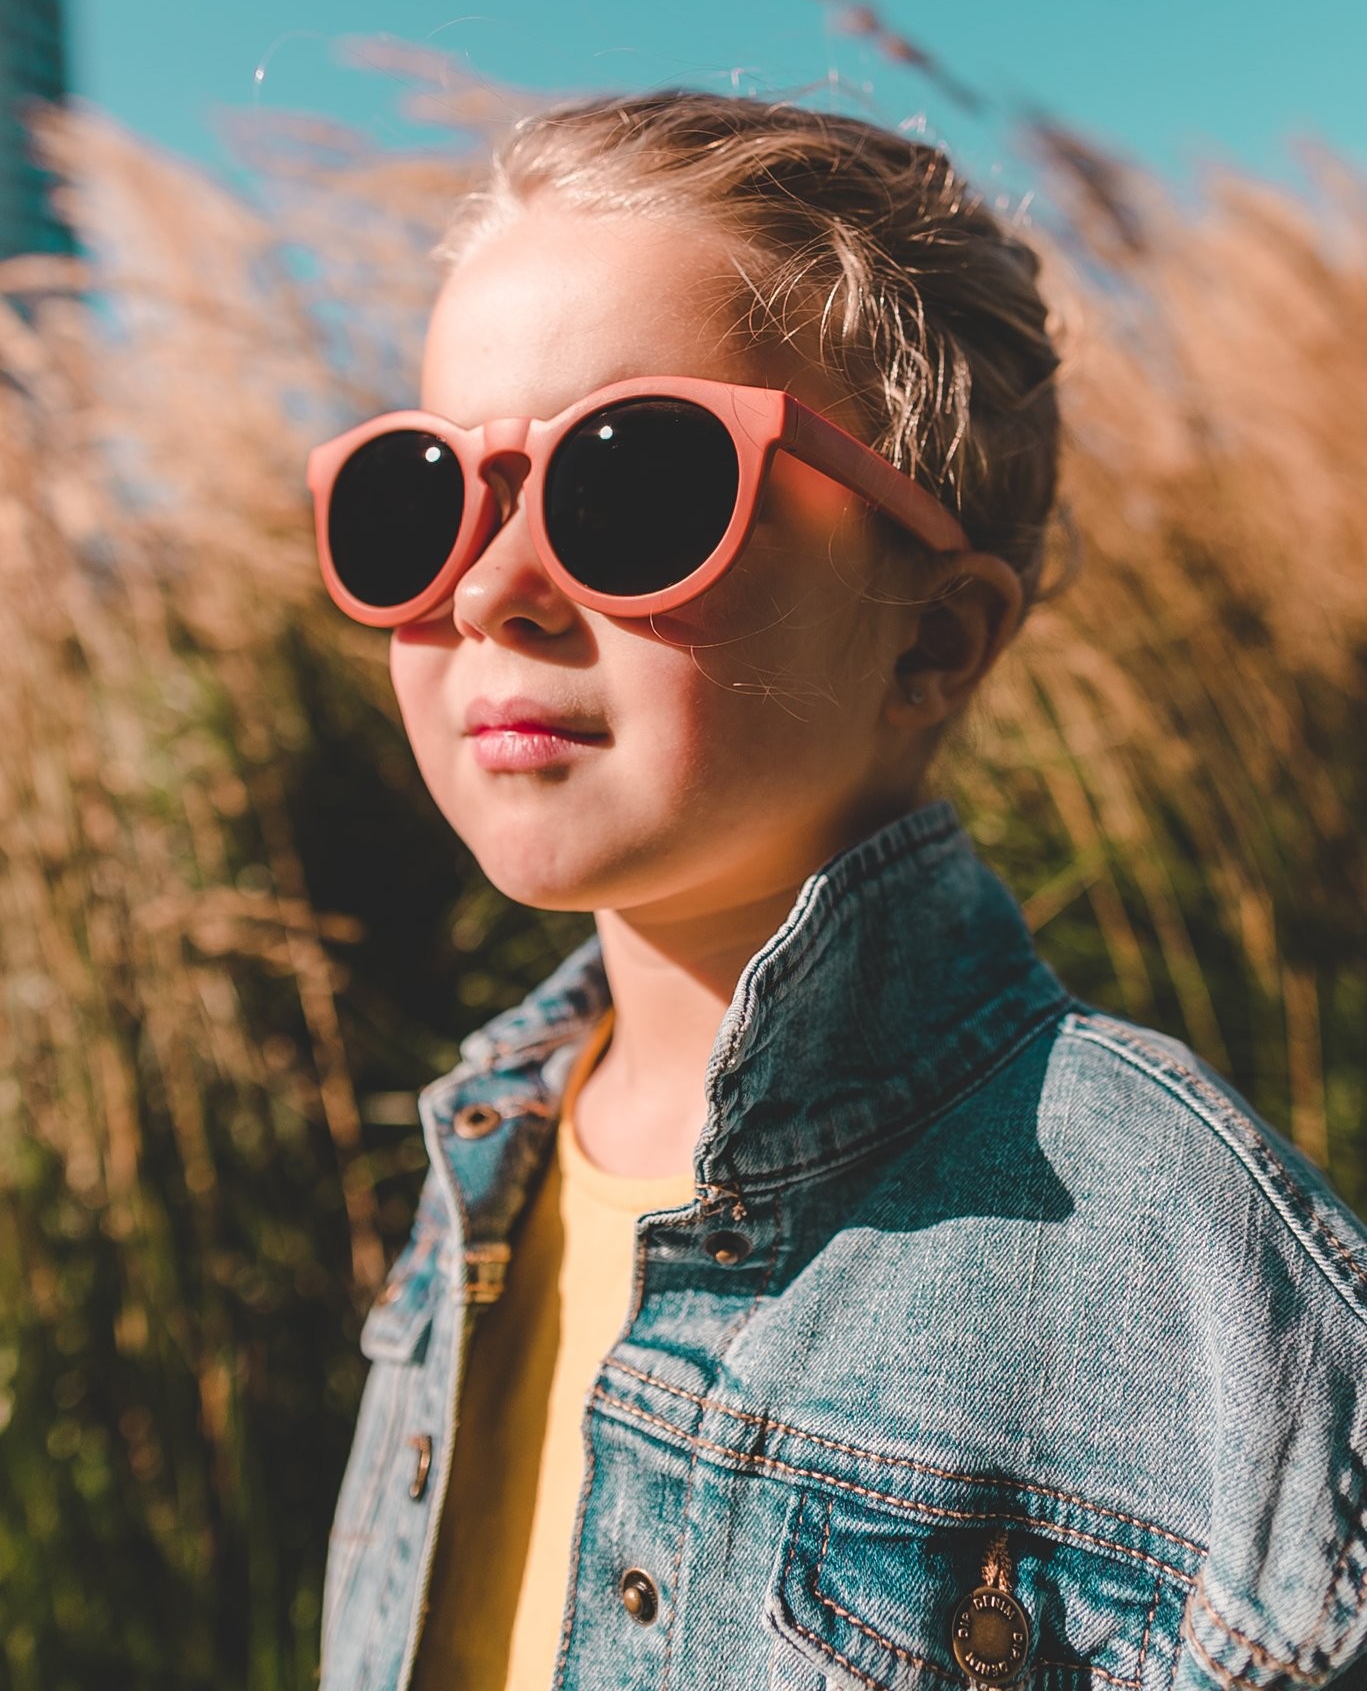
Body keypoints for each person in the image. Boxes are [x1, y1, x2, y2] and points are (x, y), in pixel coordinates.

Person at [306, 90, 1367, 1691]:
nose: (489, 587)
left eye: (631, 484)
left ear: (933, 637)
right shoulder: (482, 1171)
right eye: (422, 495)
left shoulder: (1193, 1286)